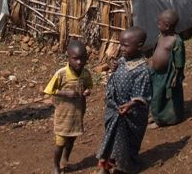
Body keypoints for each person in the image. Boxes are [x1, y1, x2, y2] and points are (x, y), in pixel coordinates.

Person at [97, 27, 152, 174]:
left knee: (126, 143)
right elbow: (116, 78)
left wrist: (130, 104)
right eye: (120, 44)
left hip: (130, 115)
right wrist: (114, 68)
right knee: (110, 139)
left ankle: (124, 167)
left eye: (125, 45)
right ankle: (105, 167)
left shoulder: (142, 70)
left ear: (139, 46)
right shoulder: (123, 60)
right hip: (115, 109)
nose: (121, 48)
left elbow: (143, 94)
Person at [44, 40, 93, 174]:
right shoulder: (61, 74)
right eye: (75, 59)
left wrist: (87, 91)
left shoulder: (85, 74)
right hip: (63, 114)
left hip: (77, 113)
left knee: (72, 139)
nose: (79, 62)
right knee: (60, 143)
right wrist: (65, 92)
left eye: (83, 58)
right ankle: (56, 166)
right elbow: (49, 90)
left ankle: (65, 160)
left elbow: (89, 86)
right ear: (68, 58)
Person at [149, 9, 185, 127]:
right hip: (157, 73)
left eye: (160, 23)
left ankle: (167, 119)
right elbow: (156, 50)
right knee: (156, 95)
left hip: (168, 75)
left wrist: (176, 75)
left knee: (167, 97)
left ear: (168, 26)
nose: (157, 25)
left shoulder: (176, 41)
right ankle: (157, 115)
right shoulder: (161, 36)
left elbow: (179, 60)